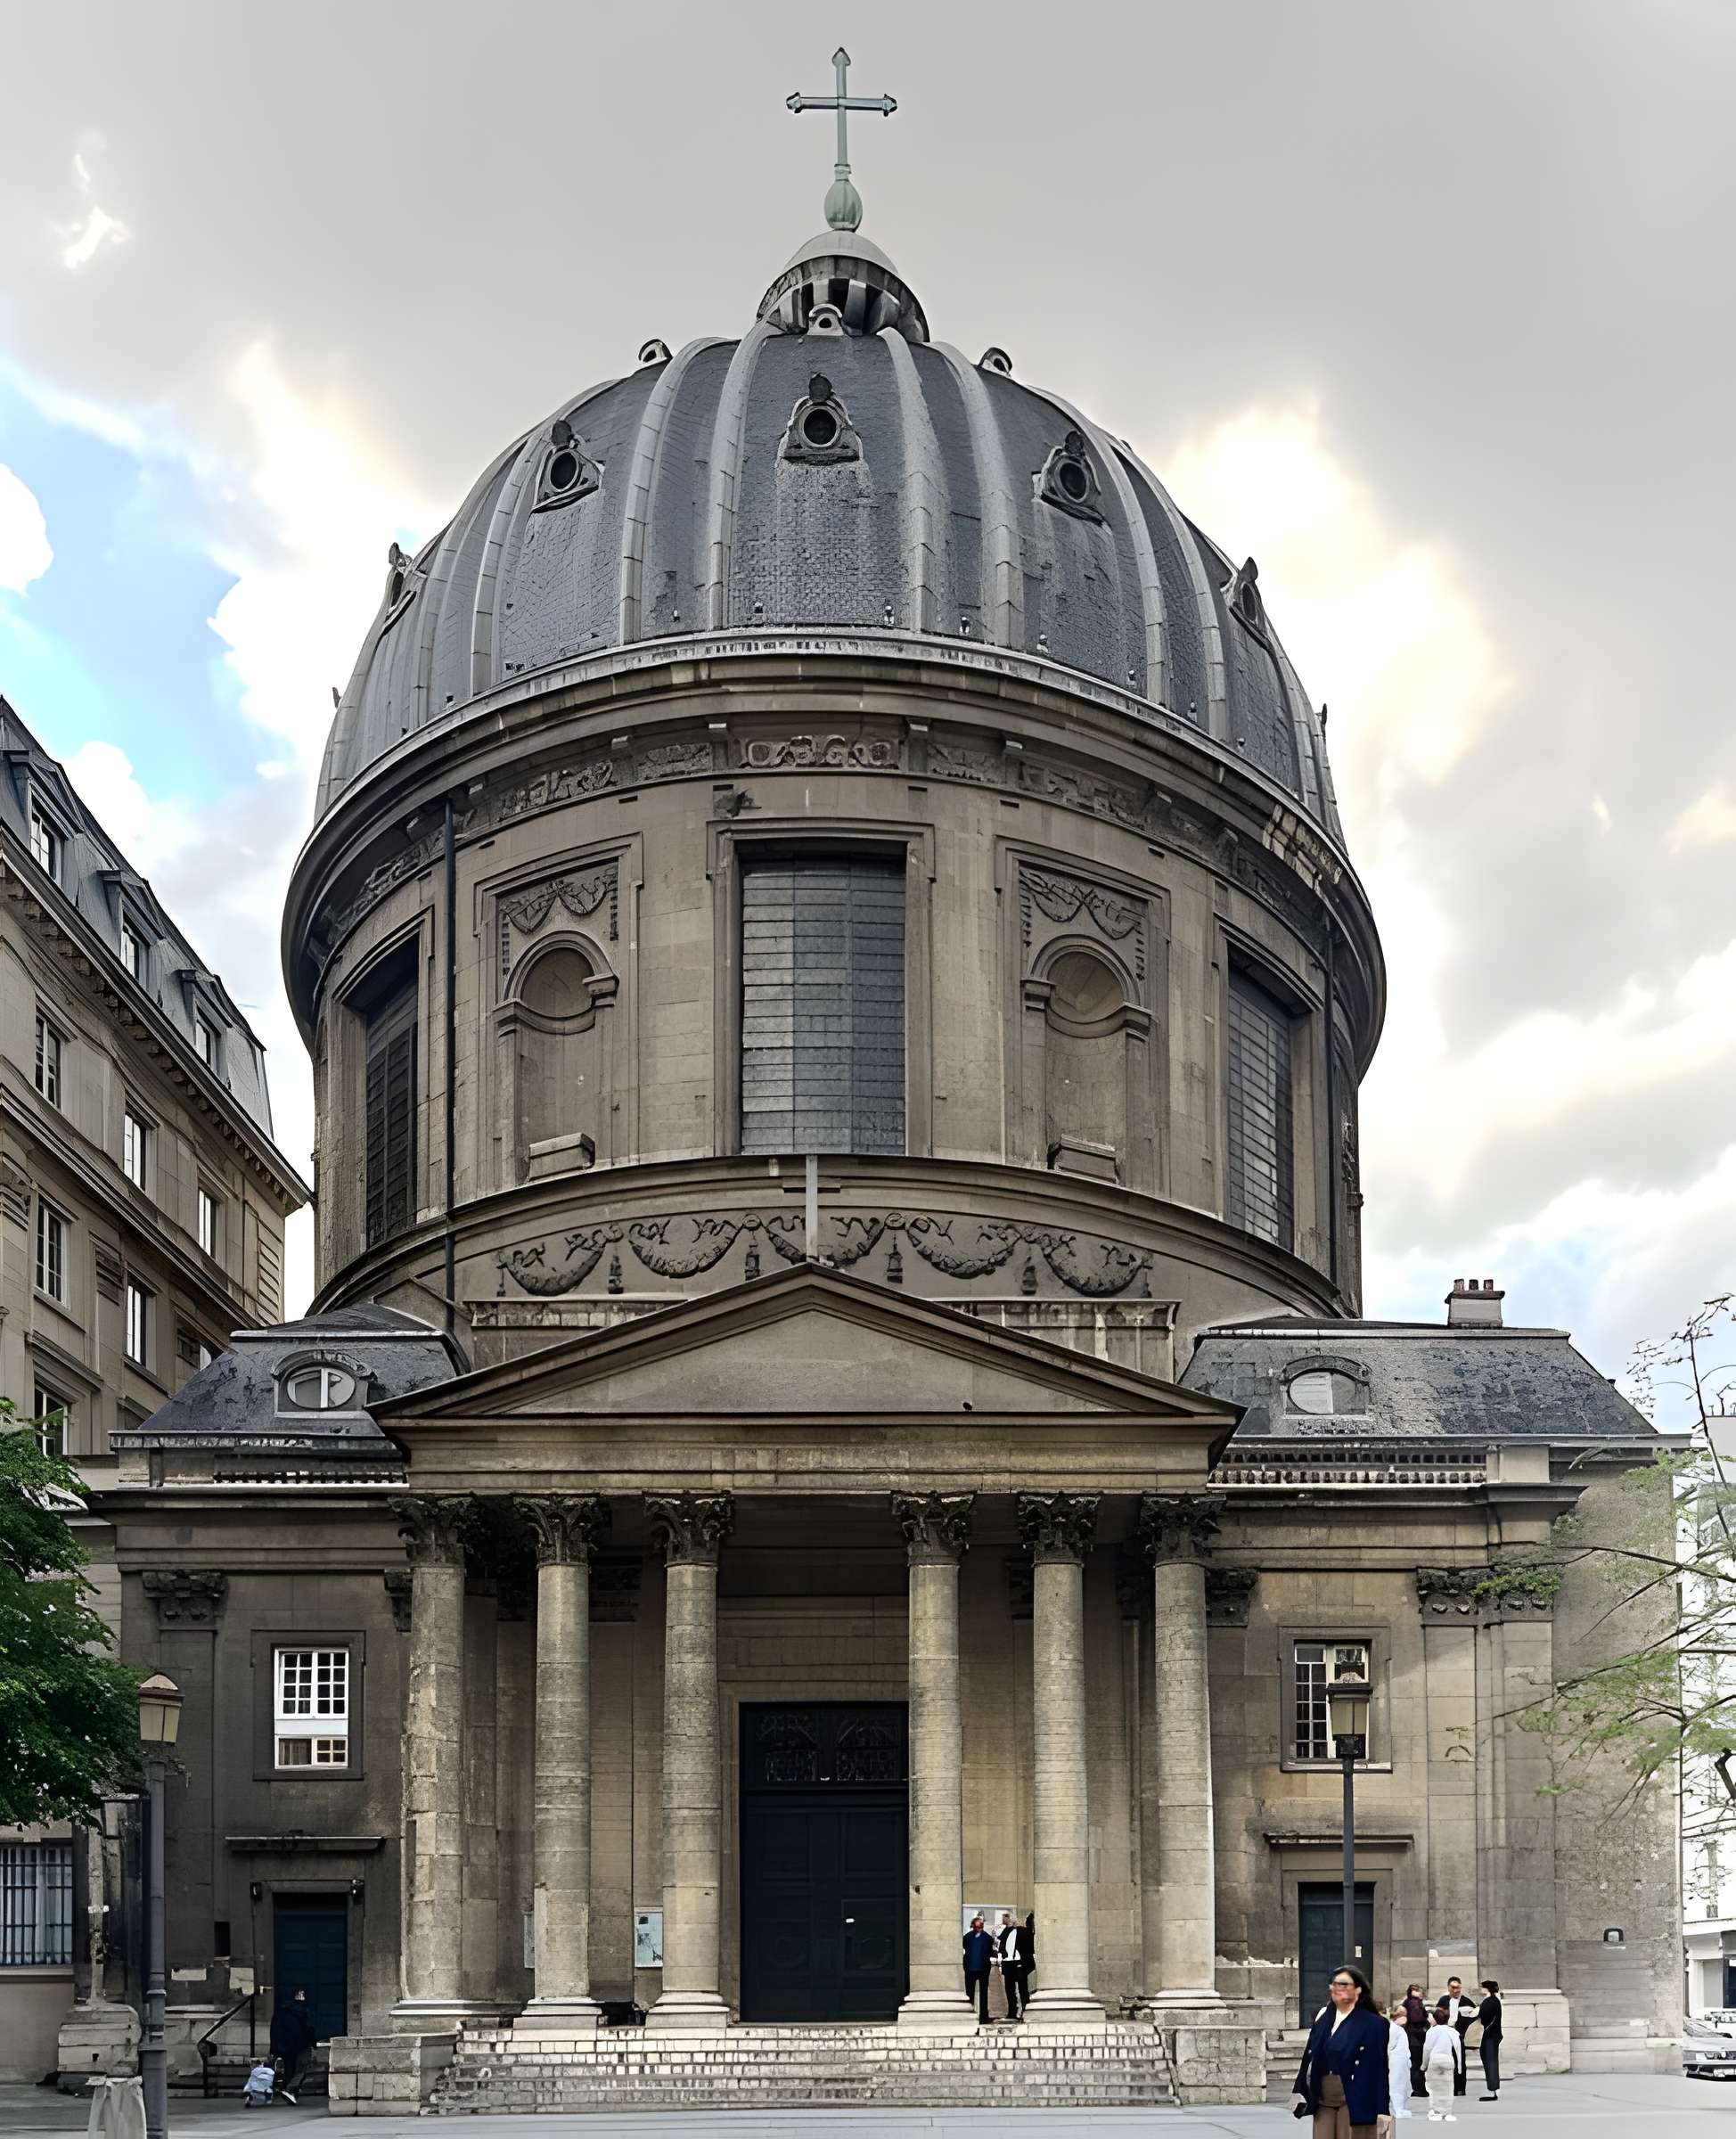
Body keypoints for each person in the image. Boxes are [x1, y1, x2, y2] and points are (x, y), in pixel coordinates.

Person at [1290, 1963, 1390, 2138]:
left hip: (1353, 2095)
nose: (1338, 1988)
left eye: (1344, 1984)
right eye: (1335, 1984)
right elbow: (1309, 2056)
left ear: (1358, 1989)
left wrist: (1382, 2109)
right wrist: (1299, 2091)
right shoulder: (1323, 2019)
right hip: (1322, 2096)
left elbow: (1378, 2068)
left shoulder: (1374, 2024)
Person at [270, 1987, 316, 2104]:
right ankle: (290, 2090)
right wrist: (313, 2042)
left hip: (285, 2046)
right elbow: (309, 2028)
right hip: (302, 2044)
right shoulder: (304, 2010)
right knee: (303, 2068)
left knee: (289, 2069)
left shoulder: (281, 2011)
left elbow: (275, 2030)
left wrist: (274, 2047)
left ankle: (290, 2093)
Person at [1377, 1998, 1413, 2134]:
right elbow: (1388, 2046)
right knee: (1397, 2085)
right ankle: (1398, 2109)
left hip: (1399, 2060)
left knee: (1400, 2085)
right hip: (1396, 2060)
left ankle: (1400, 2108)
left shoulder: (1393, 2028)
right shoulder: (1391, 2028)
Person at [1421, 2002, 1462, 2119]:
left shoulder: (1431, 2031)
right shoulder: (1453, 2031)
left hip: (1435, 2059)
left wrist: (1424, 2065)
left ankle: (1435, 2110)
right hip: (1448, 2060)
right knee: (1448, 2086)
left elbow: (1427, 2049)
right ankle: (1447, 2111)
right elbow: (1458, 2048)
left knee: (1433, 2087)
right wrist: (1459, 2066)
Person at [1438, 1979, 1477, 2098]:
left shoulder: (1466, 2001)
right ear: (1448, 1987)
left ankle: (1460, 2088)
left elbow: (1474, 2016)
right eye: (1453, 1987)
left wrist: (1463, 2020)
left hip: (1459, 2035)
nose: (1456, 1990)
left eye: (1458, 1988)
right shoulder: (1443, 2000)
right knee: (1446, 2062)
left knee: (1460, 2062)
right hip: (1445, 2035)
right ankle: (1448, 2088)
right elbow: (1437, 2015)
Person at [962, 1915, 994, 2024]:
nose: (977, 1929)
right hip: (970, 1969)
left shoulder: (988, 1939)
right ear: (973, 1927)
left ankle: (984, 2016)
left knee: (984, 1994)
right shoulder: (967, 1937)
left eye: (979, 1927)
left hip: (983, 1969)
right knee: (969, 1993)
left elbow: (989, 1952)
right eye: (976, 1927)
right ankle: (969, 2014)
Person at [1475, 1980, 1503, 2101]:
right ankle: (1493, 2089)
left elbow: (1483, 2017)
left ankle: (1492, 2090)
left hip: (1490, 2035)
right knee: (1490, 2060)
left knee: (1490, 2061)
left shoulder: (1489, 2001)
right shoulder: (1495, 2000)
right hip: (1493, 2035)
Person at [995, 1912, 1023, 2021]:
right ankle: (1012, 2011)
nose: (1002, 1920)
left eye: (1004, 1918)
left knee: (1017, 1989)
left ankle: (1017, 2011)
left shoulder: (1017, 1932)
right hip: (1008, 1963)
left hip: (1015, 1963)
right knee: (1009, 1989)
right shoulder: (1006, 1931)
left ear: (1009, 1919)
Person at [1402, 1986, 1429, 2098]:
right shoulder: (1414, 2003)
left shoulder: (1410, 2002)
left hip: (1413, 2035)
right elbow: (1416, 2018)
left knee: (1415, 2064)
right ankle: (1419, 2089)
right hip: (1415, 2037)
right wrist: (1425, 2019)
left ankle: (1418, 2088)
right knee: (1416, 2064)